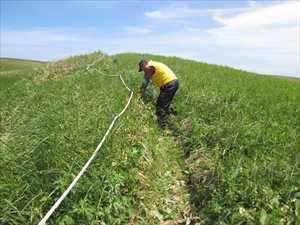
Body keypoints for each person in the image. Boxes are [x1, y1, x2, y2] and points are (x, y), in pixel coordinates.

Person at [138, 59, 179, 128]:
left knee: (160, 106)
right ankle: (171, 116)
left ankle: (162, 126)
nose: (143, 71)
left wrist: (141, 91)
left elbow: (146, 78)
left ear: (143, 65)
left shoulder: (149, 66)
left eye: (142, 69)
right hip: (173, 82)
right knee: (164, 104)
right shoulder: (153, 65)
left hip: (169, 84)